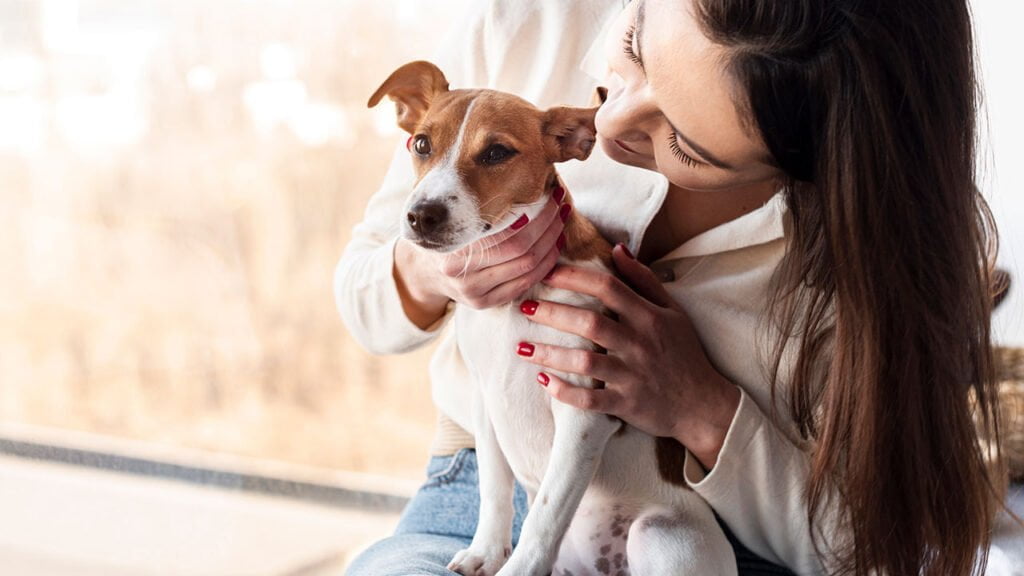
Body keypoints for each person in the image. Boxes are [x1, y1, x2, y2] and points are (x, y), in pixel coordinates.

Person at [335, 0, 1006, 574]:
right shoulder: (527, 21)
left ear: (807, 160)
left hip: (718, 534)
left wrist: (703, 409)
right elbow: (362, 299)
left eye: (685, 144)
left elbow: (860, 547)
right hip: (478, 496)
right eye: (634, 49)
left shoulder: (873, 245)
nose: (608, 124)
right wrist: (436, 269)